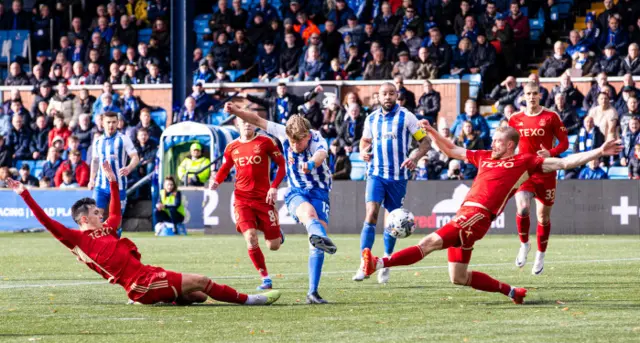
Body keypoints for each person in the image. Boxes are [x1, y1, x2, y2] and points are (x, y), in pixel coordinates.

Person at [361, 122, 621, 304]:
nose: (493, 143)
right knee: (458, 278)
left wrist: (599, 151)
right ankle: (512, 292)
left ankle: (379, 263)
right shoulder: (484, 156)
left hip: (478, 216)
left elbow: (564, 162)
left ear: (510, 145)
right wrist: (431, 132)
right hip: (467, 215)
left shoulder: (524, 162)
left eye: (498, 140)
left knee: (429, 242)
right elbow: (452, 150)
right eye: (494, 140)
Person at [6, 162, 281, 306]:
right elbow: (44, 219)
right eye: (95, 211)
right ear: (84, 218)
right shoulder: (76, 239)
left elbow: (115, 213)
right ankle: (250, 300)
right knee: (202, 280)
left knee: (198, 296)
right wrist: (24, 193)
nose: (101, 213)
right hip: (141, 283)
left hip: (147, 274)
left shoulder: (106, 229)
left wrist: (113, 181)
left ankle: (169, 296)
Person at [224, 101, 337, 305]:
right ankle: (315, 234)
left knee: (317, 240)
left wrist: (310, 163)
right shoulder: (283, 132)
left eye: (298, 143)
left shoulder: (317, 138)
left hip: (320, 192)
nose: (294, 146)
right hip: (296, 192)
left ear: (307, 136)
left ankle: (312, 292)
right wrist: (236, 111)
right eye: (291, 142)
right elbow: (256, 119)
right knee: (310, 217)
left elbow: (321, 155)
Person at [352, 82, 430, 284]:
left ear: (397, 95)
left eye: (391, 93)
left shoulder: (407, 117)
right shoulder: (371, 118)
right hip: (376, 174)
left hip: (398, 176)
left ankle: (385, 261)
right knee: (371, 214)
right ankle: (364, 262)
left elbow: (425, 142)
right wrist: (362, 152)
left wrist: (414, 158)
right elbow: (365, 141)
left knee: (392, 220)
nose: (387, 97)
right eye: (384, 94)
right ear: (378, 97)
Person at [211, 117, 286, 290]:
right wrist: (217, 181)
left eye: (249, 120)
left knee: (273, 246)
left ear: (254, 123)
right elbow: (225, 167)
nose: (246, 123)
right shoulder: (231, 147)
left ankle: (275, 232)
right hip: (242, 199)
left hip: (263, 199)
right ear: (237, 124)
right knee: (250, 237)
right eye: (242, 121)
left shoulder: (265, 142)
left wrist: (274, 187)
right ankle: (265, 278)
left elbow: (282, 165)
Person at [509, 82, 569, 275]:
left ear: (540, 95)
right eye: (528, 93)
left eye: (535, 93)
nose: (532, 97)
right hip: (525, 172)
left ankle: (540, 254)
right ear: (523, 96)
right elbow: (509, 144)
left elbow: (565, 143)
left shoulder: (551, 116)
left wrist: (550, 152)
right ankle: (524, 244)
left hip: (546, 171)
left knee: (543, 217)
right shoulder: (515, 119)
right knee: (523, 207)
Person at [89, 112, 140, 238]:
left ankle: (115, 245)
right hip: (100, 186)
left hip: (119, 187)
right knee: (96, 217)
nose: (111, 125)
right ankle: (98, 246)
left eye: (113, 122)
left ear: (118, 123)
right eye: (108, 122)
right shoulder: (98, 141)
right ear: (102, 123)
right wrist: (91, 179)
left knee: (116, 220)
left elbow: (135, 157)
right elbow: (95, 161)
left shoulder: (123, 139)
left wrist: (129, 168)